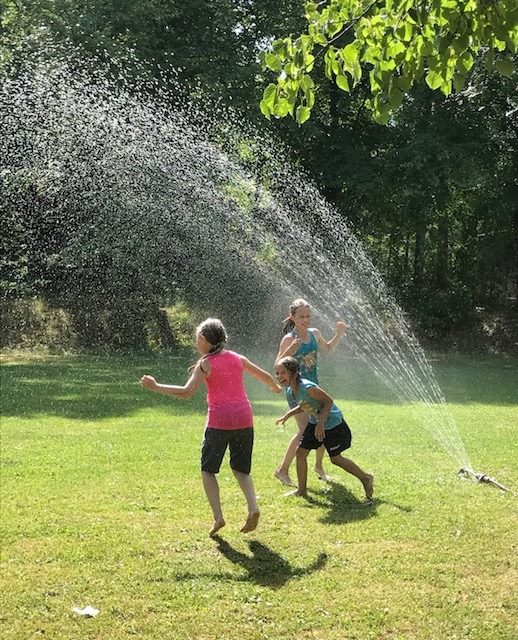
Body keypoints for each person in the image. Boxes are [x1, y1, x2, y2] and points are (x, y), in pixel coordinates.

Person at [140, 318, 282, 537]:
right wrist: (274, 387)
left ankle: (218, 517)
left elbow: (187, 392)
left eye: (197, 337)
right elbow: (265, 376)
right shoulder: (238, 358)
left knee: (208, 471)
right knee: (241, 469)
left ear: (204, 340)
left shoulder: (205, 364)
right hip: (244, 419)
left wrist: (156, 386)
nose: (196, 341)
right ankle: (253, 507)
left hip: (219, 422)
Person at [274, 356, 374, 502]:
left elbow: (328, 401)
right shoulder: (291, 390)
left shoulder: (308, 387)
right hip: (316, 422)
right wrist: (289, 414)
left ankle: (366, 478)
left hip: (332, 424)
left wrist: (321, 423)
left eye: (283, 372)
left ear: (294, 372)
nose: (279, 376)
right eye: (277, 373)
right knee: (300, 453)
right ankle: (301, 491)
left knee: (335, 459)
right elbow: (305, 404)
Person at [274, 298, 346, 486]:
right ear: (292, 317)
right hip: (296, 390)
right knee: (306, 431)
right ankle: (282, 470)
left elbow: (328, 348)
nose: (306, 319)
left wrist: (338, 334)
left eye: (308, 316)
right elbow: (277, 365)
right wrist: (291, 349)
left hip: (313, 387)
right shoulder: (289, 338)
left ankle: (319, 467)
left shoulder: (314, 333)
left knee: (323, 426)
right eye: (301, 316)